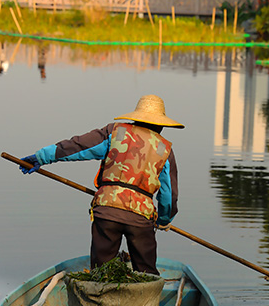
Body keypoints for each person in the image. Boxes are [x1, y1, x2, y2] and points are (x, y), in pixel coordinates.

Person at [19, 94, 183, 275]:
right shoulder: (165, 149)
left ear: (135, 118)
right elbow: (168, 195)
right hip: (140, 217)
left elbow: (78, 147)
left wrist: (41, 157)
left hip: (107, 210)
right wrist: (164, 220)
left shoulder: (115, 132)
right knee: (147, 273)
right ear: (161, 125)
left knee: (101, 273)